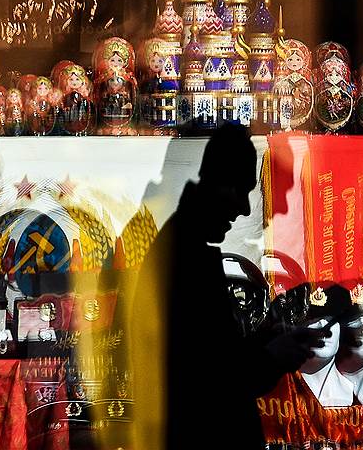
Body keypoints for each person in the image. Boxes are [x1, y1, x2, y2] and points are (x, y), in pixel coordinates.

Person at [131, 123, 327, 449]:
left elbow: (213, 358)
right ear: (216, 181)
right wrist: (272, 356)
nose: (246, 209)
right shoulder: (184, 256)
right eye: (240, 190)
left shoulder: (184, 246)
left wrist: (266, 340)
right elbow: (207, 384)